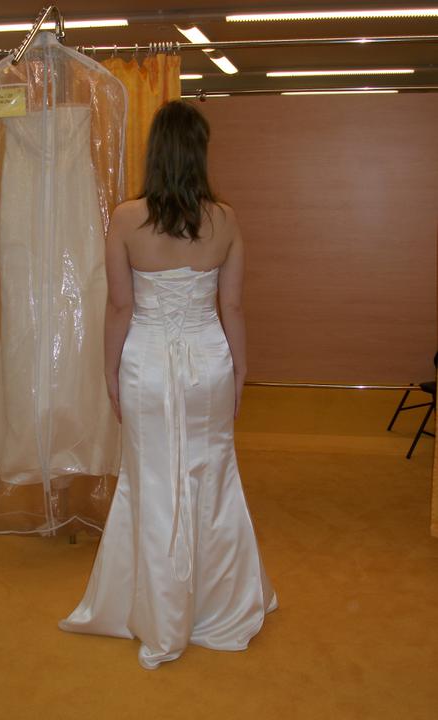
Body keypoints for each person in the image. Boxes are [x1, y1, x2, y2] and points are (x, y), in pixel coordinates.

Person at [58, 99, 278, 670]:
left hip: (147, 364)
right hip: (209, 361)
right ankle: (219, 603)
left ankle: (158, 610)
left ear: (154, 153)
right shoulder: (225, 220)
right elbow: (232, 306)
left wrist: (109, 371)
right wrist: (241, 370)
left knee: (150, 480)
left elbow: (119, 307)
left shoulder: (126, 219)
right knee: (212, 474)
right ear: (200, 154)